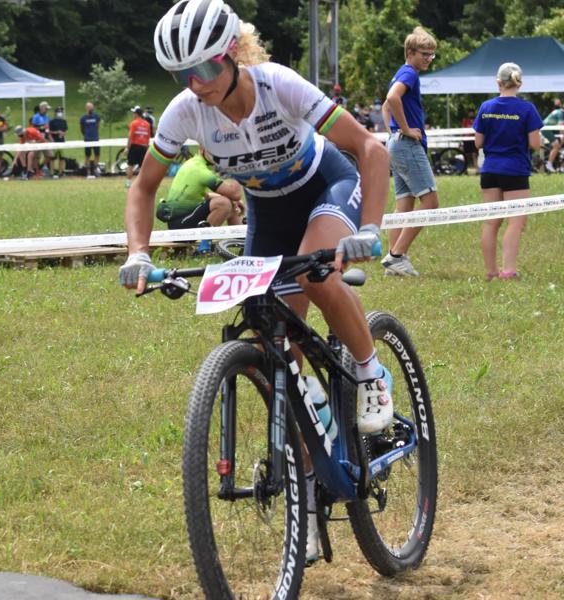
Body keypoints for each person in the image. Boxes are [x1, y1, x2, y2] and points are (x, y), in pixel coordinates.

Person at [122, 0, 393, 564]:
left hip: (324, 186)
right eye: (181, 75)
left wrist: (370, 228)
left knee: (318, 272)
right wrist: (139, 252)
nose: (194, 85)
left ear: (231, 58)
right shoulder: (184, 112)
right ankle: (311, 482)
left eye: (203, 70)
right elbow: (144, 187)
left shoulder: (279, 86)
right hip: (268, 210)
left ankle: (369, 371)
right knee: (268, 328)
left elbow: (368, 148)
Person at [473, 63, 542, 281]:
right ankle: (509, 270)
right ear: (519, 83)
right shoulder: (527, 109)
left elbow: (478, 142)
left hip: (490, 170)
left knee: (491, 221)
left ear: (498, 82)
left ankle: (491, 271)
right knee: (516, 221)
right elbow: (535, 144)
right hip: (515, 171)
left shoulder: (486, 107)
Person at [381, 26, 439, 277]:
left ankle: (394, 257)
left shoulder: (401, 73)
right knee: (431, 203)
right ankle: (396, 257)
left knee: (403, 205)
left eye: (432, 55)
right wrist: (405, 129)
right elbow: (392, 99)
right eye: (425, 54)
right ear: (410, 52)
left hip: (396, 144)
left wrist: (392, 132)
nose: (429, 59)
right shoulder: (410, 74)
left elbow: (386, 105)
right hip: (407, 145)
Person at [156, 153, 243, 229]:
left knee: (231, 205)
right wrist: (236, 168)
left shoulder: (194, 162)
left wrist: (235, 201)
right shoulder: (201, 171)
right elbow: (235, 194)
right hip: (180, 225)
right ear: (202, 149)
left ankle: (241, 242)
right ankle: (205, 245)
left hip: (179, 220)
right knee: (223, 203)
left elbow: (204, 195)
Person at [125, 106, 151, 188]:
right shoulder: (147, 124)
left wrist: (127, 148)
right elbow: (148, 137)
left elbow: (130, 136)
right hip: (143, 146)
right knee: (142, 167)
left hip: (135, 146)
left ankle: (129, 183)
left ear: (136, 114)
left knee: (130, 164)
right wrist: (147, 148)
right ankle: (141, 184)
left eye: (133, 113)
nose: (133, 115)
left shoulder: (134, 123)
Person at [31, 101, 53, 176]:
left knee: (50, 156)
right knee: (37, 156)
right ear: (41, 108)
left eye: (47, 109)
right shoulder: (36, 117)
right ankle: (36, 171)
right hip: (37, 139)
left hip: (45, 139)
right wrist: (42, 126)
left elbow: (47, 129)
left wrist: (50, 137)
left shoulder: (46, 116)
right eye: (46, 109)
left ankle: (39, 168)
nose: (47, 110)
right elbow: (33, 128)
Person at [541, 98, 563, 172]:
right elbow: (561, 127)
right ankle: (549, 164)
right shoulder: (561, 113)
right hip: (546, 129)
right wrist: (562, 137)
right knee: (557, 145)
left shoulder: (558, 111)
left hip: (547, 128)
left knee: (558, 145)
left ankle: (560, 167)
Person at [80, 102, 101, 178]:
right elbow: (82, 129)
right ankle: (88, 171)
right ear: (86, 108)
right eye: (90, 107)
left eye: (92, 107)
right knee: (87, 155)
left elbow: (98, 126)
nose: (91, 109)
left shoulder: (96, 117)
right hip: (87, 139)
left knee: (97, 154)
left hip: (95, 138)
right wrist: (86, 135)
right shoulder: (83, 118)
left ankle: (95, 170)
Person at [48, 106, 68, 177]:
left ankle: (61, 171)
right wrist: (56, 132)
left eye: (61, 112)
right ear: (55, 113)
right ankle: (52, 172)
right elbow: (49, 132)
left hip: (62, 141)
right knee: (53, 158)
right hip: (54, 141)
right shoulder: (52, 122)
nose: (60, 113)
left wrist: (63, 133)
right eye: (59, 111)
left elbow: (66, 131)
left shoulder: (64, 121)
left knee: (62, 158)